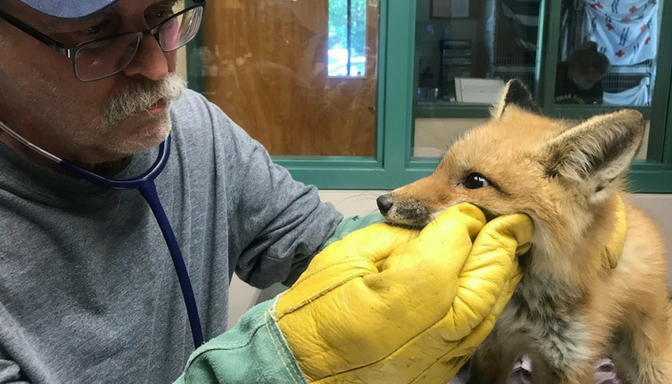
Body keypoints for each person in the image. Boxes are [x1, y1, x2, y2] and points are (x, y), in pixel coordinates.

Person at [0, 1, 533, 383]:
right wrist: (281, 366)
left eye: (162, 18)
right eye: (98, 33)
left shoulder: (192, 128)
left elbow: (316, 240)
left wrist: (460, 228)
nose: (159, 67)